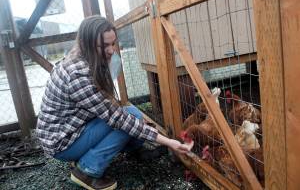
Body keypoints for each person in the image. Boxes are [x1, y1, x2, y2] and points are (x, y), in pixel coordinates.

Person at [36, 15, 193, 190]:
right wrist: (169, 141)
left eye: (113, 43)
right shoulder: (77, 74)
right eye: (105, 46)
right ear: (87, 42)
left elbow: (109, 103)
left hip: (69, 128)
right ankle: (87, 170)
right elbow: (117, 118)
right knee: (127, 119)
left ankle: (133, 150)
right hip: (61, 142)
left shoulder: (85, 56)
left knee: (129, 115)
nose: (111, 50)